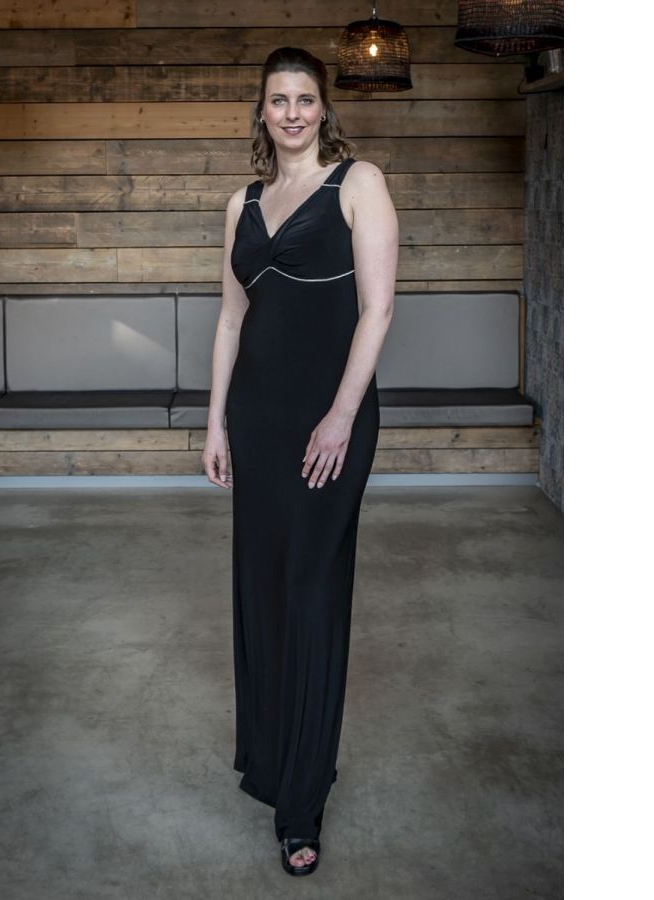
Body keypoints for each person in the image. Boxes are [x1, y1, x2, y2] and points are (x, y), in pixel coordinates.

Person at [202, 46, 398, 876]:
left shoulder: (357, 183)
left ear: (324, 109)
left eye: (305, 99)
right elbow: (230, 320)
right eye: (278, 100)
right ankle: (277, 759)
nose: (291, 113)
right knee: (264, 591)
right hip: (257, 420)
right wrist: (214, 423)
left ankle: (302, 804)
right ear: (262, 111)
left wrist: (341, 418)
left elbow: (377, 310)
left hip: (331, 420)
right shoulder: (241, 203)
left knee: (313, 596)